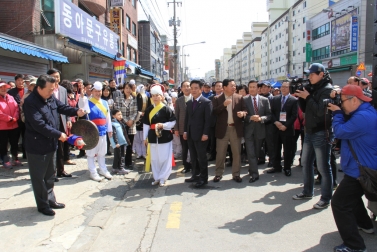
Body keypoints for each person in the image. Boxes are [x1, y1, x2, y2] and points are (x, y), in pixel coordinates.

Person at [23, 74, 85, 216]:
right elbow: (39, 125)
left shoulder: (50, 97)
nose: (52, 92)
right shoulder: (30, 102)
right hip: (37, 145)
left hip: (51, 143)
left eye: (53, 89)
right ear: (39, 88)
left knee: (50, 175)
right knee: (39, 177)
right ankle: (43, 205)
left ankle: (51, 200)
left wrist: (76, 111)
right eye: (50, 89)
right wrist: (59, 134)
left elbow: (62, 107)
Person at [327, 84, 377, 252]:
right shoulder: (365, 112)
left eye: (342, 101)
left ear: (354, 100)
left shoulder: (362, 117)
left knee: (339, 203)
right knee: (353, 199)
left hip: (361, 171)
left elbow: (340, 132)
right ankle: (365, 225)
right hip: (359, 168)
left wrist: (337, 114)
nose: (341, 105)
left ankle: (354, 245)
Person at [293, 63, 334, 209]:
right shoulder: (313, 88)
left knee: (323, 167)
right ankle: (307, 191)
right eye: (308, 74)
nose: (309, 77)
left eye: (312, 74)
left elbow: (319, 112)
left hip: (321, 132)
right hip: (309, 131)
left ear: (321, 74)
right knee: (305, 163)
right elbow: (305, 109)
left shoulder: (327, 90)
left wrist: (308, 96)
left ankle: (326, 198)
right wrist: (301, 97)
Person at [212, 79, 246, 183]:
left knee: (236, 153)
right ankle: (218, 174)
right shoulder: (217, 98)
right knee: (220, 153)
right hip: (223, 129)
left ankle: (236, 174)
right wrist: (223, 105)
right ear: (225, 87)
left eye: (235, 86)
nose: (234, 87)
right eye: (232, 85)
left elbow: (245, 110)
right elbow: (214, 112)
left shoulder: (239, 98)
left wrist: (243, 114)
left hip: (235, 128)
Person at [78, 81, 113, 182]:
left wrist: (109, 129)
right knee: (91, 153)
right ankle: (93, 172)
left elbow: (108, 118)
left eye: (100, 91)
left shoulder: (105, 103)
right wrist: (81, 97)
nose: (98, 93)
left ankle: (103, 169)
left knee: (102, 152)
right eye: (96, 91)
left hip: (103, 130)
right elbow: (81, 106)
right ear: (92, 91)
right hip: (91, 132)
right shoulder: (87, 102)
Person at [143, 84, 176, 186]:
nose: (155, 98)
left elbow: (173, 122)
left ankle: (163, 177)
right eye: (153, 96)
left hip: (164, 137)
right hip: (152, 137)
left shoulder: (167, 109)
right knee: (155, 158)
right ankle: (156, 177)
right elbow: (146, 124)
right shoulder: (148, 109)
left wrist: (163, 125)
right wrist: (145, 138)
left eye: (157, 95)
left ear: (162, 97)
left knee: (164, 158)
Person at [240, 80, 271, 183]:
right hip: (248, 131)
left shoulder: (265, 100)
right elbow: (242, 115)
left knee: (256, 153)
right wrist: (250, 117)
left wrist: (261, 118)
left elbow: (269, 115)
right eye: (250, 87)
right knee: (251, 153)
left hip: (260, 130)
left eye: (254, 87)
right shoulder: (243, 100)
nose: (252, 89)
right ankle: (254, 174)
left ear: (258, 89)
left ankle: (252, 169)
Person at [183, 80, 212, 188]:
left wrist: (205, 134)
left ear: (201, 89)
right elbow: (187, 119)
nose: (193, 90)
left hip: (201, 136)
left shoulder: (206, 102)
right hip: (190, 134)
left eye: (196, 88)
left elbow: (208, 121)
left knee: (202, 157)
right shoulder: (189, 102)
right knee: (193, 157)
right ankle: (195, 175)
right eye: (192, 88)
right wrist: (185, 131)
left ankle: (204, 178)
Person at [267, 80, 298, 176]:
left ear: (289, 88)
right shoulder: (275, 99)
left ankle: (287, 168)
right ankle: (276, 167)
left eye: (286, 87)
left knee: (287, 149)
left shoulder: (294, 100)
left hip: (287, 129)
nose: (283, 89)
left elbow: (294, 115)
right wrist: (276, 122)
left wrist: (285, 125)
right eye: (282, 87)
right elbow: (271, 112)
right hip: (276, 128)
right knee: (276, 148)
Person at [114, 83, 138, 169]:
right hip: (121, 124)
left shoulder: (134, 99)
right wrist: (125, 121)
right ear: (123, 89)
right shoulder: (118, 99)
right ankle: (120, 163)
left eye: (130, 88)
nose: (128, 90)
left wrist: (131, 120)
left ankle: (129, 162)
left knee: (129, 144)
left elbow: (136, 111)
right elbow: (117, 111)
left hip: (131, 125)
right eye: (126, 88)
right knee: (121, 144)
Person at [0, 81, 20, 169]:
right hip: (2, 126)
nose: (4, 89)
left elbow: (17, 108)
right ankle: (5, 161)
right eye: (1, 88)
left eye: (5, 87)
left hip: (14, 125)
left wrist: (15, 117)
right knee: (3, 145)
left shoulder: (11, 97)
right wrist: (10, 119)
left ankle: (15, 159)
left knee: (14, 143)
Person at [174, 81, 192, 173]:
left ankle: (193, 165)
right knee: (185, 148)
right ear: (181, 88)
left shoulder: (195, 99)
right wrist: (176, 129)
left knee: (193, 148)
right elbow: (176, 116)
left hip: (193, 128)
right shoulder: (179, 100)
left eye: (188, 86)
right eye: (184, 86)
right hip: (181, 128)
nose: (186, 88)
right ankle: (186, 166)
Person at [8, 74, 27, 159]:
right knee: (14, 138)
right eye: (18, 80)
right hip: (16, 119)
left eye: (22, 80)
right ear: (15, 82)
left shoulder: (28, 91)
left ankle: (26, 155)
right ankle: (14, 156)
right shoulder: (11, 92)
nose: (20, 82)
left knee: (26, 137)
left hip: (26, 119)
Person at [110, 109, 131, 175]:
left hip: (121, 142)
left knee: (118, 155)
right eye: (118, 115)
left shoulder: (120, 122)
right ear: (113, 116)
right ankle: (121, 168)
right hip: (118, 143)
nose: (120, 116)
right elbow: (114, 134)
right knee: (120, 156)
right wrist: (116, 143)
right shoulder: (113, 124)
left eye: (121, 114)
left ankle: (115, 167)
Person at [102, 85, 114, 156]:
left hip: (109, 119)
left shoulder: (111, 100)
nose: (106, 92)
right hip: (102, 119)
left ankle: (107, 149)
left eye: (107, 91)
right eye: (105, 91)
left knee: (109, 135)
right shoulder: (100, 100)